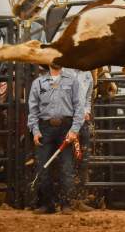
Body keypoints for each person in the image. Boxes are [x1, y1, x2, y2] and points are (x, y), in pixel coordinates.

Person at [28, 64, 84, 215]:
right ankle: (47, 204)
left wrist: (74, 130)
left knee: (67, 168)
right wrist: (35, 131)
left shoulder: (72, 81)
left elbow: (79, 107)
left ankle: (66, 204)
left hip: (66, 128)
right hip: (44, 128)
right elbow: (33, 110)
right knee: (42, 167)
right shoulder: (38, 83)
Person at [69, 69, 95, 212]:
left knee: (83, 160)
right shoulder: (65, 71)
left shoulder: (87, 74)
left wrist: (87, 111)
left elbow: (88, 98)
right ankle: (67, 199)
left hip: (82, 122)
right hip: (69, 119)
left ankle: (79, 199)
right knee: (67, 159)